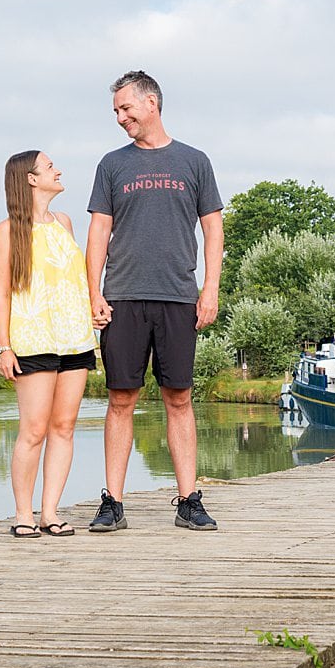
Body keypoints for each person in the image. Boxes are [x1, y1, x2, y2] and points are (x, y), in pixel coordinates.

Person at [85, 70, 224, 532]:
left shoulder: (195, 161)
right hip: (123, 297)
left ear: (151, 103)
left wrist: (210, 289)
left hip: (177, 297)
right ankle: (113, 503)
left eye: (126, 108)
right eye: (116, 112)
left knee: (179, 398)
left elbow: (213, 229)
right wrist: (94, 293)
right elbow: (99, 231)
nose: (121, 118)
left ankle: (189, 500)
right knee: (121, 398)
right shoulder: (112, 165)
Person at [0, 150, 99, 538]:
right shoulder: (7, 232)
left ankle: (50, 512)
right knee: (33, 430)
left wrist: (94, 310)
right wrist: (4, 347)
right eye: (50, 166)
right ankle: (23, 513)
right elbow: (1, 295)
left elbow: (75, 283)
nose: (58, 170)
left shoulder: (65, 223)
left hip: (74, 339)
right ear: (31, 179)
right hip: (32, 341)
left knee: (64, 427)